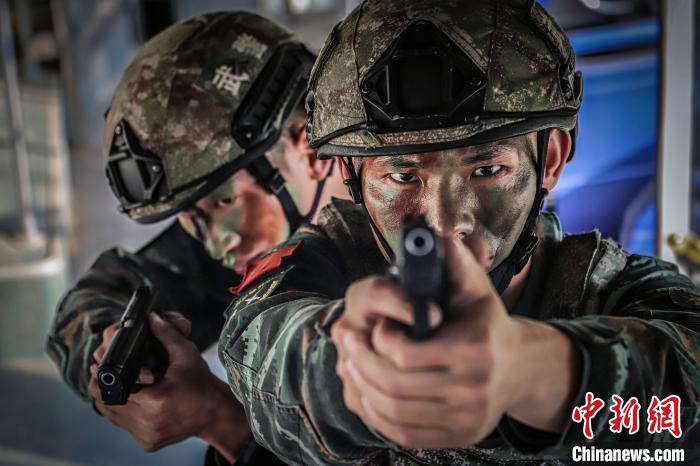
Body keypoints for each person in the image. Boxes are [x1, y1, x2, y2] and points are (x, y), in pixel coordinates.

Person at [218, 1, 700, 465]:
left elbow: (688, 379)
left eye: (487, 170)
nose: (447, 223)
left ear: (551, 158)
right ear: (350, 174)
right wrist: (347, 366)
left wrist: (529, 370)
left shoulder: (624, 291)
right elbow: (261, 344)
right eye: (403, 177)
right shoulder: (315, 264)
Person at [45, 11, 347, 466]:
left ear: (309, 152)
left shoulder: (417, 240)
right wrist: (113, 347)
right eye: (190, 214)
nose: (214, 243)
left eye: (223, 201)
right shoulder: (253, 230)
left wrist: (220, 420)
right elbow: (94, 298)